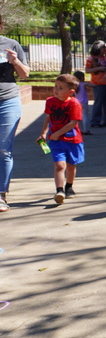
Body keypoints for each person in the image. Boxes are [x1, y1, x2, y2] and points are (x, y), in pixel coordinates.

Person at [38, 74, 84, 204]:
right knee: (59, 165)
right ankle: (59, 190)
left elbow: (73, 123)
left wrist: (57, 133)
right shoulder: (50, 101)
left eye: (60, 88)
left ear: (70, 92)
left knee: (70, 166)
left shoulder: (74, 104)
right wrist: (43, 133)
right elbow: (48, 117)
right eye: (55, 86)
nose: (56, 90)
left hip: (73, 140)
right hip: (56, 140)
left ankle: (69, 186)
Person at [0, 27, 30, 213]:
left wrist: (15, 61)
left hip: (7, 102)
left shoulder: (11, 44)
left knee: (4, 149)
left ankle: (1, 193)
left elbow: (25, 74)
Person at [85, 41, 106, 128]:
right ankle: (95, 121)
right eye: (103, 47)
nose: (105, 49)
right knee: (98, 103)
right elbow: (87, 70)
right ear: (98, 48)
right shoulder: (91, 59)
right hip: (98, 83)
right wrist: (99, 68)